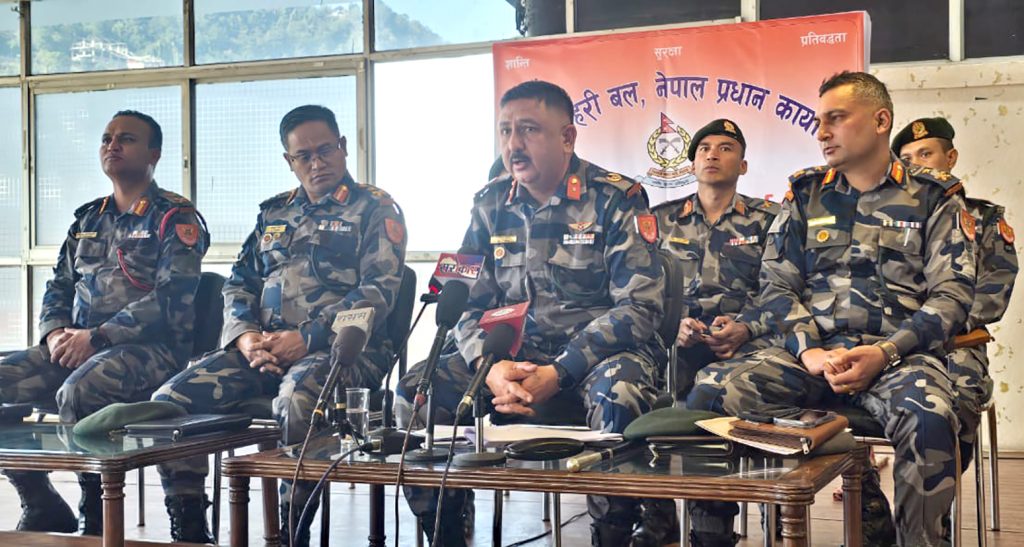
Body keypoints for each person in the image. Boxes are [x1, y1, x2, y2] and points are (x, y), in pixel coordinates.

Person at [687, 72, 976, 546]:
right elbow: (777, 284)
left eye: (836, 119)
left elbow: (953, 295)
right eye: (819, 121)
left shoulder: (934, 196)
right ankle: (713, 537)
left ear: (880, 121)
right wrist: (809, 352)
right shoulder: (806, 194)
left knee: (930, 417)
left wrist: (884, 353)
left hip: (896, 357)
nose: (821, 132)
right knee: (711, 393)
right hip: (812, 356)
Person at [396, 80, 665, 546]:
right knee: (415, 393)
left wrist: (560, 372)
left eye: (528, 130)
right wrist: (489, 368)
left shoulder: (616, 198)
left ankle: (613, 535)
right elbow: (464, 300)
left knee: (620, 395)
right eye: (505, 131)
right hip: (510, 358)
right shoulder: (488, 204)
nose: (513, 145)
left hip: (597, 357)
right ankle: (446, 530)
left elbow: (640, 307)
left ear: (567, 137)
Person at [153, 105, 407, 545]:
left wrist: (306, 338)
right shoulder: (274, 213)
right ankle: (189, 520)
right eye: (304, 156)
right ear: (289, 161)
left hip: (343, 353)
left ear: (343, 147)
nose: (317, 163)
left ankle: (291, 529)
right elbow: (239, 282)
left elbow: (378, 290)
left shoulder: (375, 208)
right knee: (168, 402)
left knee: (296, 400)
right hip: (262, 352)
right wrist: (245, 336)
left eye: (325, 150)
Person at [0, 110, 208, 536]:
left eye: (126, 139)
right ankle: (40, 501)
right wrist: (54, 333)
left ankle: (95, 517)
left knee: (81, 390)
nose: (112, 145)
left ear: (153, 154)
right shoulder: (88, 219)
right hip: (78, 346)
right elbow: (59, 286)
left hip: (151, 351)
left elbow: (171, 297)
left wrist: (97, 337)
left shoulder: (174, 218)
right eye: (106, 138)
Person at [894, 116, 1019, 472]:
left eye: (925, 154)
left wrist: (936, 324)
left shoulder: (983, 218)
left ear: (950, 158)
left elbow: (995, 286)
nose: (916, 165)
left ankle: (938, 494)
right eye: (906, 159)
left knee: (959, 397)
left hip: (956, 342)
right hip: (892, 341)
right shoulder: (886, 219)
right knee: (844, 395)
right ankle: (868, 497)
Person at [653, 118, 780, 398]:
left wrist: (746, 327)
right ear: (692, 166)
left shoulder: (769, 220)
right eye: (704, 149)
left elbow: (781, 288)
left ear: (743, 166)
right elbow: (645, 288)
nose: (712, 155)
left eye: (725, 148)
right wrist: (672, 326)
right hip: (676, 340)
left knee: (724, 393)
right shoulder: (661, 219)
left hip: (744, 341)